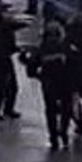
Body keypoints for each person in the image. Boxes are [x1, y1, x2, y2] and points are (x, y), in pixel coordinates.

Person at [23, 20, 75, 150]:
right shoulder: (66, 46)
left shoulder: (42, 48)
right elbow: (77, 64)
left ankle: (53, 136)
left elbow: (31, 67)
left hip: (49, 82)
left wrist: (37, 75)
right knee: (66, 109)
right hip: (66, 82)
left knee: (50, 109)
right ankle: (63, 131)